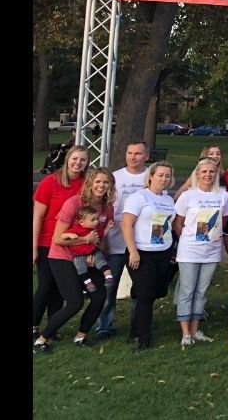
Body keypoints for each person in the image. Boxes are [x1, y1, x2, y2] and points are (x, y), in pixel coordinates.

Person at [33, 167, 114, 353]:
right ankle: (41, 340)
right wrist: (86, 240)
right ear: (90, 183)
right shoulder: (74, 203)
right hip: (63, 256)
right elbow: (58, 238)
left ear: (110, 185)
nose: (101, 185)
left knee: (100, 295)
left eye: (105, 182)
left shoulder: (108, 207)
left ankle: (81, 336)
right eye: (97, 181)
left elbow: (98, 239)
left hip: (87, 257)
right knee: (75, 302)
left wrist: (95, 254)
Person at [174, 158, 228, 345]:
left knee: (201, 291)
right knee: (187, 290)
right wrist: (190, 238)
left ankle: (195, 330)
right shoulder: (188, 196)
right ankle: (185, 334)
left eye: (211, 171)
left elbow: (223, 221)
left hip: (212, 251)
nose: (208, 175)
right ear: (197, 174)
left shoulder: (223, 196)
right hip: (189, 250)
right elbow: (178, 223)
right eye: (204, 171)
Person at [120, 161, 177, 350]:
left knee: (155, 291)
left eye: (167, 176)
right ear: (151, 176)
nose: (164, 178)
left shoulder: (169, 199)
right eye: (160, 175)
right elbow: (126, 225)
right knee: (145, 296)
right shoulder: (139, 197)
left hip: (163, 252)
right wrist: (133, 251)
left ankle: (135, 328)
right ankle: (143, 339)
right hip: (142, 252)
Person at [33, 144, 87, 339]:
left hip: (69, 244)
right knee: (45, 286)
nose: (78, 163)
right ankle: (34, 324)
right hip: (47, 242)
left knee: (58, 287)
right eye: (74, 159)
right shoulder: (50, 182)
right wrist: (34, 248)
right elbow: (37, 216)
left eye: (82, 160)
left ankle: (52, 326)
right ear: (67, 160)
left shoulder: (85, 185)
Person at [100, 141, 148, 338]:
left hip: (142, 243)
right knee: (109, 286)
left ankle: (136, 327)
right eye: (130, 153)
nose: (133, 157)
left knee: (139, 289)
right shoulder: (116, 177)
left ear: (146, 156)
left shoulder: (151, 176)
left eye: (138, 153)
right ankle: (104, 325)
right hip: (116, 243)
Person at [65, 206, 114, 292]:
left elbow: (102, 235)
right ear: (82, 222)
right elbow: (62, 236)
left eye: (97, 219)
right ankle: (88, 283)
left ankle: (109, 277)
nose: (96, 222)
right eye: (93, 220)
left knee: (101, 261)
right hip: (80, 255)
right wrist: (69, 235)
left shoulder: (95, 230)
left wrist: (108, 227)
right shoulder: (77, 229)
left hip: (93, 251)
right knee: (80, 266)